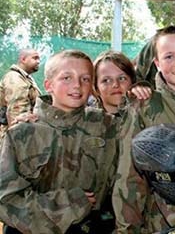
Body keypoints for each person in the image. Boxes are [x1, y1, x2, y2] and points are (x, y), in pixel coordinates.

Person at [0, 50, 119, 233]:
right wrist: (68, 205)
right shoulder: (23, 134)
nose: (77, 85)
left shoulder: (107, 126)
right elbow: (6, 201)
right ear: (48, 85)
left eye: (85, 79)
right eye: (66, 78)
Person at [112, 26, 175, 233]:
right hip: (160, 223)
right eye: (168, 57)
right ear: (157, 64)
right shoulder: (144, 106)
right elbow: (129, 177)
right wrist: (127, 229)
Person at [0, 48, 41, 139]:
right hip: (18, 136)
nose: (38, 61)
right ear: (23, 59)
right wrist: (20, 141)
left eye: (39, 59)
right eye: (35, 58)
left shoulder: (25, 78)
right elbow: (17, 113)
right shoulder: (15, 79)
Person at [93, 50, 137, 115]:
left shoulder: (145, 117)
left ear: (132, 82)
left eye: (122, 78)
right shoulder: (84, 121)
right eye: (106, 80)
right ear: (96, 89)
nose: (116, 84)